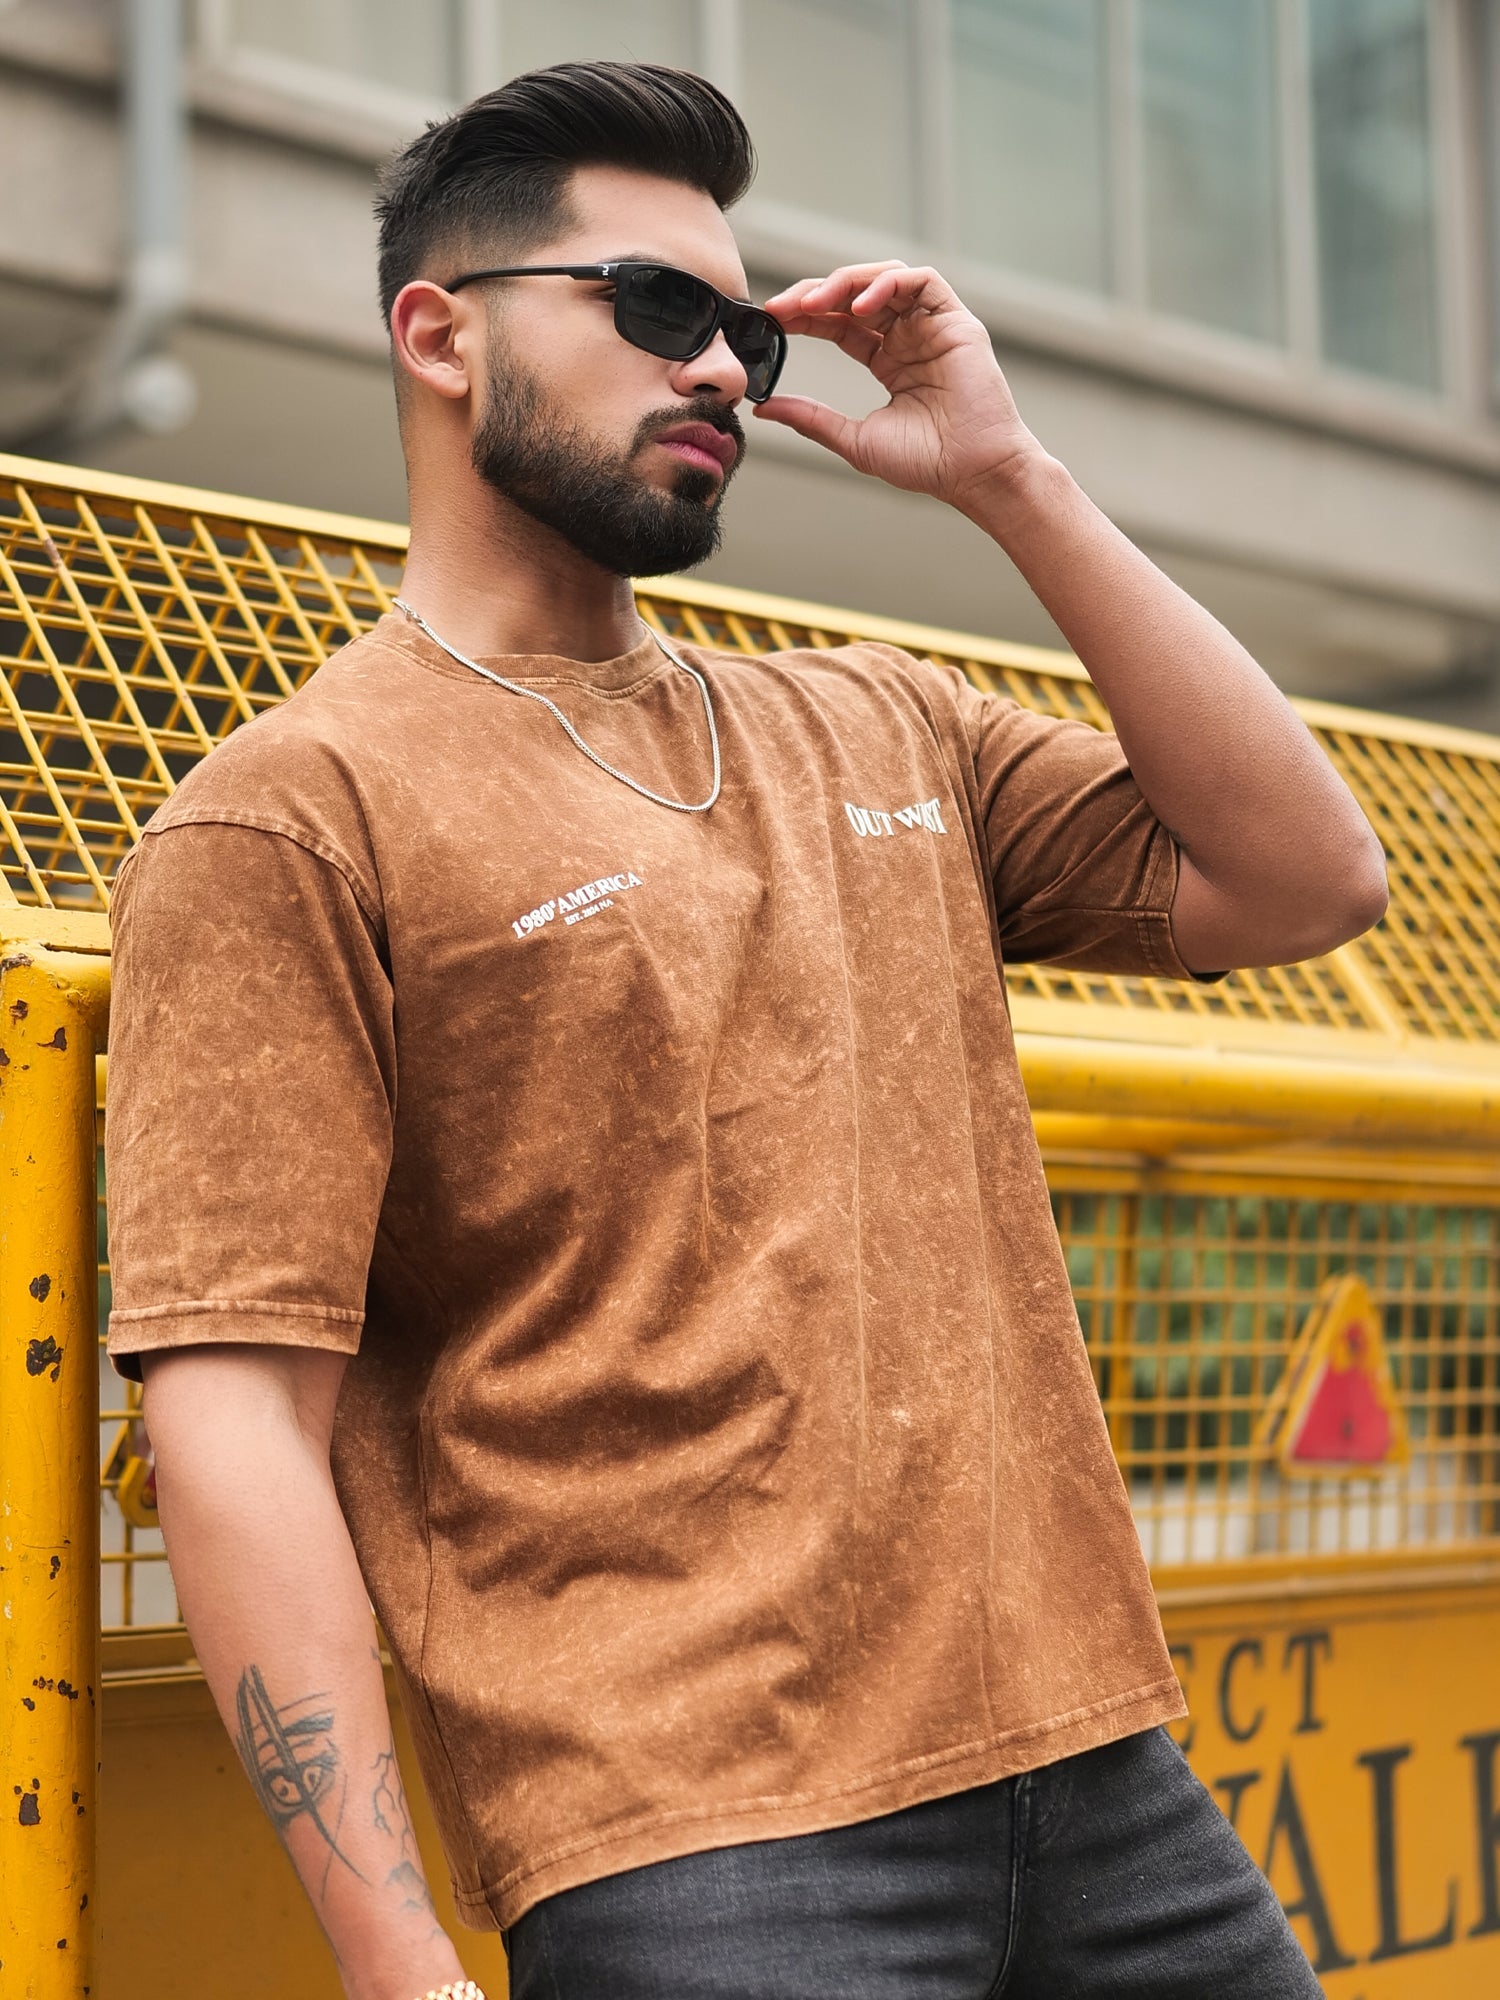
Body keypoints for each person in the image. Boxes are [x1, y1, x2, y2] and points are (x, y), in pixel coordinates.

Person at [105, 60, 1385, 2000]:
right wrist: (393, 1956)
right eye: (653, 308)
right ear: (438, 336)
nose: (722, 366)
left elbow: (1308, 880)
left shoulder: (879, 722)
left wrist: (1007, 477)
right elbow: (236, 1412)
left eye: (744, 326)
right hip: (701, 1843)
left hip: (1100, 1774)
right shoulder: (290, 810)